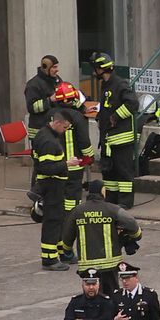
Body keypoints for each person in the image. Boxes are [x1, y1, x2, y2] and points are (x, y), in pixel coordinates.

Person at [59, 180, 143, 294]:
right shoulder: (112, 209)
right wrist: (136, 236)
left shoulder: (77, 211)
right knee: (112, 296)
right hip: (111, 264)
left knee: (92, 297)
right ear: (103, 191)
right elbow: (131, 223)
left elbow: (67, 236)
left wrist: (67, 251)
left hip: (87, 266)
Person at [33, 109, 80, 271]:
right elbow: (46, 168)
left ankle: (61, 252)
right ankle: (49, 259)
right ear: (58, 122)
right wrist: (67, 164)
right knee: (52, 222)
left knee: (58, 220)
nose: (65, 131)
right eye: (65, 128)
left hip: (54, 186)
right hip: (51, 186)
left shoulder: (47, 134)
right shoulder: (48, 142)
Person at [92, 52, 138, 209]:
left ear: (100, 69)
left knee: (123, 171)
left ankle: (125, 202)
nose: (94, 72)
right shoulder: (106, 85)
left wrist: (115, 117)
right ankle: (111, 199)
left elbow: (132, 103)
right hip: (108, 139)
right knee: (109, 171)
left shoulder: (120, 84)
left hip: (121, 138)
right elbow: (107, 106)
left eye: (95, 69)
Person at [54, 83, 95, 237]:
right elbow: (84, 140)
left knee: (59, 192)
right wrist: (89, 157)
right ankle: (71, 219)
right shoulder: (77, 117)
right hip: (74, 164)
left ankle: (59, 216)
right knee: (73, 194)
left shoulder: (52, 115)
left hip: (57, 164)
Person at [24, 55, 61, 142]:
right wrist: (50, 100)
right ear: (45, 68)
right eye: (54, 67)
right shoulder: (33, 85)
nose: (57, 70)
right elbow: (32, 107)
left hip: (54, 129)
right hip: (39, 131)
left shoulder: (56, 80)